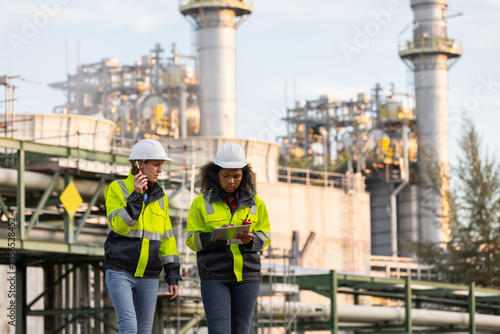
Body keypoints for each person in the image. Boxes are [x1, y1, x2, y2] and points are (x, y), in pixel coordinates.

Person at [186, 142, 271, 334]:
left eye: (236, 176)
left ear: (244, 175)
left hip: (247, 278)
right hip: (215, 276)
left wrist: (251, 240)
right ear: (216, 173)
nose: (231, 181)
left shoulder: (256, 203)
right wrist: (216, 237)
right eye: (225, 176)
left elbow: (265, 237)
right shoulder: (201, 203)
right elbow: (192, 240)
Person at [104, 139, 181, 333]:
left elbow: (167, 239)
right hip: (120, 270)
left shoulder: (160, 197)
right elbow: (119, 226)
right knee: (129, 327)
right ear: (139, 165)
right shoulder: (117, 189)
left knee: (144, 330)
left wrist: (172, 274)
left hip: (149, 275)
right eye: (156, 165)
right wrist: (136, 197)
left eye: (161, 165)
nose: (160, 170)